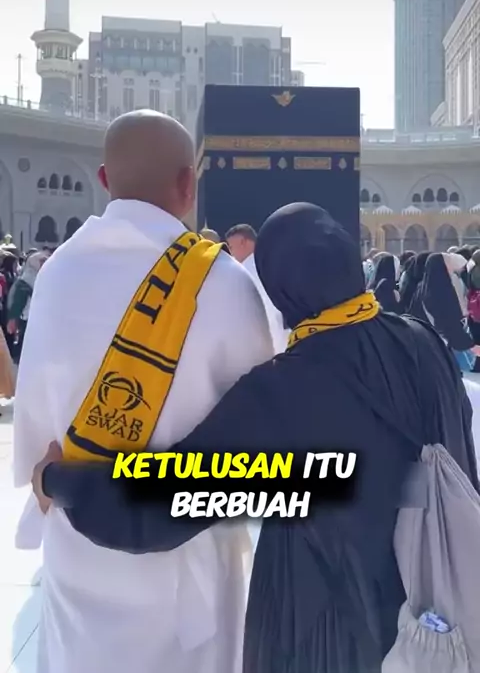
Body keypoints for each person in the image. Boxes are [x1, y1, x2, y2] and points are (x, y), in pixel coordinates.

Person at [32, 203, 479, 673]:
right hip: (440, 616)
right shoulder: (425, 343)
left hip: (329, 631)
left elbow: (166, 499)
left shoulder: (288, 387)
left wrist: (58, 480)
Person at [14, 110, 274, 673]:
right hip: (188, 552)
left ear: (104, 180)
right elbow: (263, 428)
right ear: (188, 184)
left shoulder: (56, 275)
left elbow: (35, 423)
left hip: (79, 534)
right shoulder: (224, 281)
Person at [226, 223, 288, 353]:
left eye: (231, 247)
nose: (230, 254)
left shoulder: (246, 272)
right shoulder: (271, 262)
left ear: (243, 242)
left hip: (267, 344)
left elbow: (266, 312)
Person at [7, 250, 49, 363]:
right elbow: (18, 302)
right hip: (28, 318)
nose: (44, 264)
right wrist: (13, 319)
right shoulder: (27, 280)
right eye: (41, 261)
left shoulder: (41, 277)